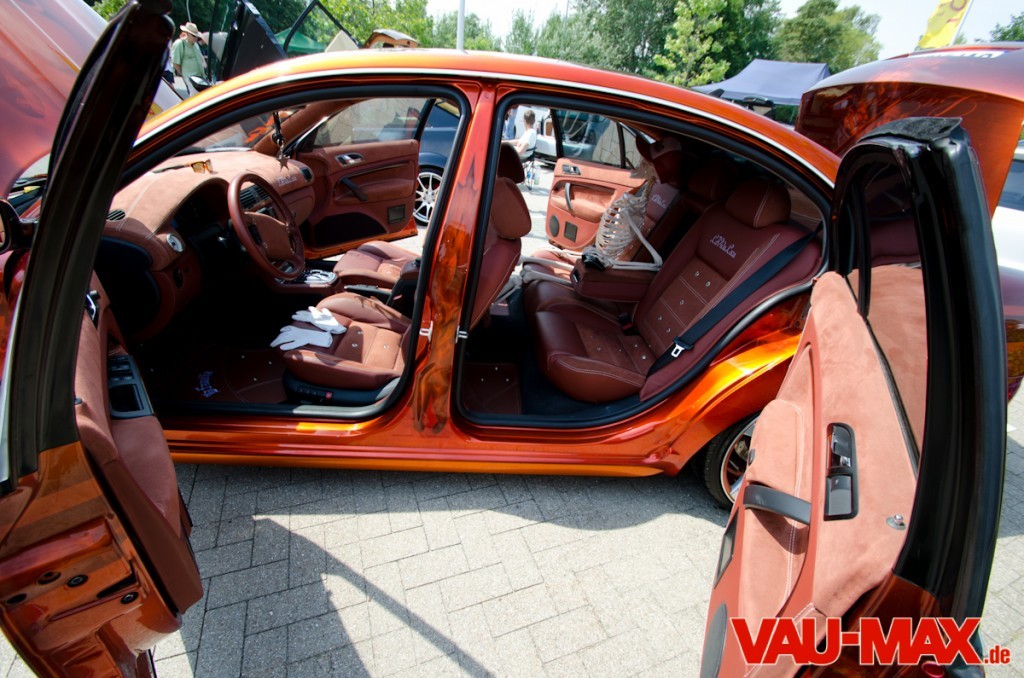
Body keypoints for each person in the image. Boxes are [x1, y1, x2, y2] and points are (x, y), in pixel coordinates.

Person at [172, 22, 206, 97]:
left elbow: (200, 58)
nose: (196, 38)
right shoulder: (180, 44)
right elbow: (175, 62)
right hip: (190, 79)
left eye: (196, 36)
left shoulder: (196, 45)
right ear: (187, 34)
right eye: (194, 36)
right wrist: (184, 75)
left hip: (200, 78)